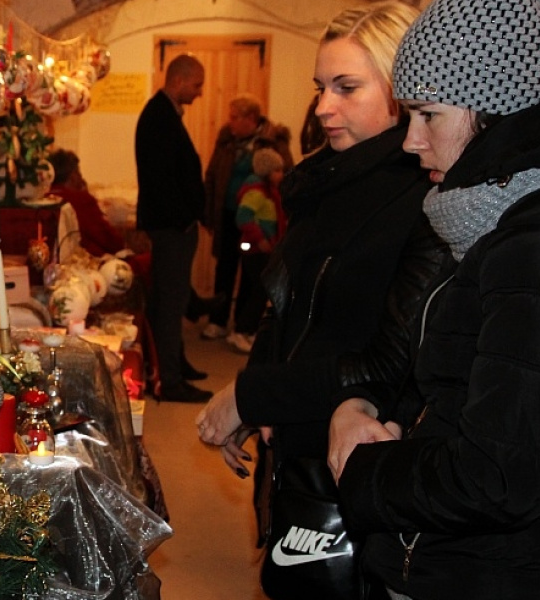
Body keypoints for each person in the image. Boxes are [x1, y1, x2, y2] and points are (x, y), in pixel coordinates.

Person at [194, 0, 450, 580]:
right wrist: (262, 394)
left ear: (403, 89)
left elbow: (390, 363)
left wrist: (252, 394)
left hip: (360, 463)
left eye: (346, 87)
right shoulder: (327, 182)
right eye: (320, 87)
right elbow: (289, 305)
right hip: (298, 444)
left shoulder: (425, 198)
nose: (323, 107)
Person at [328, 0, 540, 597]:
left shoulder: (538, 246)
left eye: (428, 115)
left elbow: (499, 474)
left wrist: (364, 471)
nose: (411, 141)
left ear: (497, 114)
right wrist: (370, 415)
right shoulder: (492, 222)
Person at [134, 53, 211, 403]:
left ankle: (175, 363)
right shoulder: (158, 117)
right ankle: (170, 379)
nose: (200, 92)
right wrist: (184, 219)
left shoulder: (164, 114)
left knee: (173, 300)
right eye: (196, 85)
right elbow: (163, 180)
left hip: (173, 224)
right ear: (178, 80)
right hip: (171, 227)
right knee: (170, 304)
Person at [201, 95, 293, 342]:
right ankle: (217, 320)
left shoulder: (274, 141)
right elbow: (212, 176)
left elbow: (287, 175)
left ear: (250, 119)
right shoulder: (226, 140)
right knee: (225, 266)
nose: (229, 122)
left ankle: (242, 326)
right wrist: (208, 213)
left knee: (251, 271)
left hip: (257, 221)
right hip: (229, 215)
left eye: (234, 117)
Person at [227, 148, 286, 354]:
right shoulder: (256, 192)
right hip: (256, 249)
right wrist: (260, 239)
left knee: (256, 289)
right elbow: (243, 218)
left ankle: (248, 329)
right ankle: (242, 329)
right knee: (261, 290)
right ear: (266, 171)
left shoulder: (271, 192)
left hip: (266, 248)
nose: (281, 174)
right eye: (277, 170)